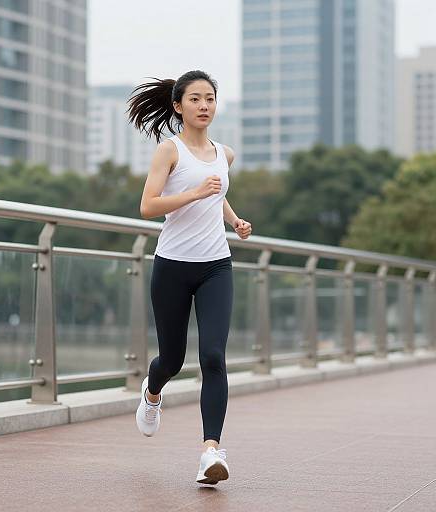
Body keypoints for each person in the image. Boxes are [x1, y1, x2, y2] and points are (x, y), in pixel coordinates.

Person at [126, 70, 252, 485]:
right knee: (173, 360)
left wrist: (233, 219)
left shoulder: (224, 153)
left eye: (210, 98)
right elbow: (149, 205)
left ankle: (210, 452)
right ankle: (152, 390)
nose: (204, 105)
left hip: (216, 264)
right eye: (195, 99)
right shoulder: (169, 151)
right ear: (179, 106)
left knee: (213, 356)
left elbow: (218, 192)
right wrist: (195, 194)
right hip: (173, 266)